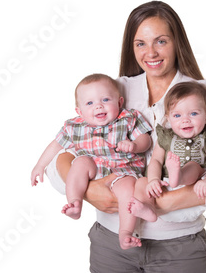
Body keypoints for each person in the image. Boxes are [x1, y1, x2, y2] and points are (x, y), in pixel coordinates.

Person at [46, 0, 206, 272]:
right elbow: (61, 155)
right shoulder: (115, 89)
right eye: (140, 43)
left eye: (161, 41)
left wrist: (167, 202)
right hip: (110, 244)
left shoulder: (201, 93)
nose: (151, 53)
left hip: (178, 245)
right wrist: (90, 192)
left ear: (176, 42)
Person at [30, 73, 153, 249]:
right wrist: (40, 165)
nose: (98, 106)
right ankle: (75, 202)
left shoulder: (127, 118)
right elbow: (56, 145)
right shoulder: (74, 126)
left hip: (122, 169)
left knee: (128, 190)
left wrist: (134, 145)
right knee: (79, 163)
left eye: (105, 99)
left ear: (119, 102)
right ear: (79, 111)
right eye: (90, 103)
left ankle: (125, 232)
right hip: (92, 167)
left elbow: (145, 140)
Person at [128, 81, 206, 223]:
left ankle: (178, 175)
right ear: (168, 118)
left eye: (193, 113)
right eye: (177, 116)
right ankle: (148, 208)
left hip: (190, 185)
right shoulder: (166, 136)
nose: (185, 120)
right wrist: (153, 180)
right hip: (162, 184)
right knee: (142, 182)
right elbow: (156, 161)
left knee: (194, 166)